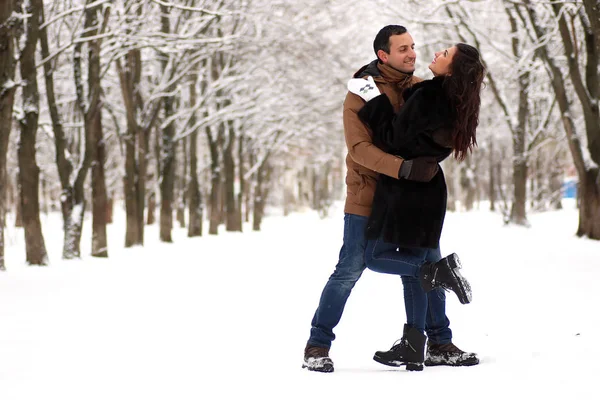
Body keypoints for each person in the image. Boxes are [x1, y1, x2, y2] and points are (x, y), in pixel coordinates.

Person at [303, 25, 478, 373]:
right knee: (350, 269)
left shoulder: (419, 88)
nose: (412, 53)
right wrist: (404, 169)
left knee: (423, 264)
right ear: (384, 55)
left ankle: (437, 343)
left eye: (413, 46)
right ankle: (317, 346)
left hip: (410, 196)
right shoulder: (360, 91)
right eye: (403, 49)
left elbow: (430, 136)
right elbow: (360, 149)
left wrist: (420, 166)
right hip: (368, 194)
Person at [346, 42, 486, 371]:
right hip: (428, 190)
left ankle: (440, 275)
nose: (435, 53)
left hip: (406, 191)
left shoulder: (429, 96)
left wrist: (374, 99)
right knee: (415, 267)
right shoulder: (454, 99)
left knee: (377, 257)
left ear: (453, 68)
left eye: (445, 54)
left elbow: (392, 140)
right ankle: (418, 346)